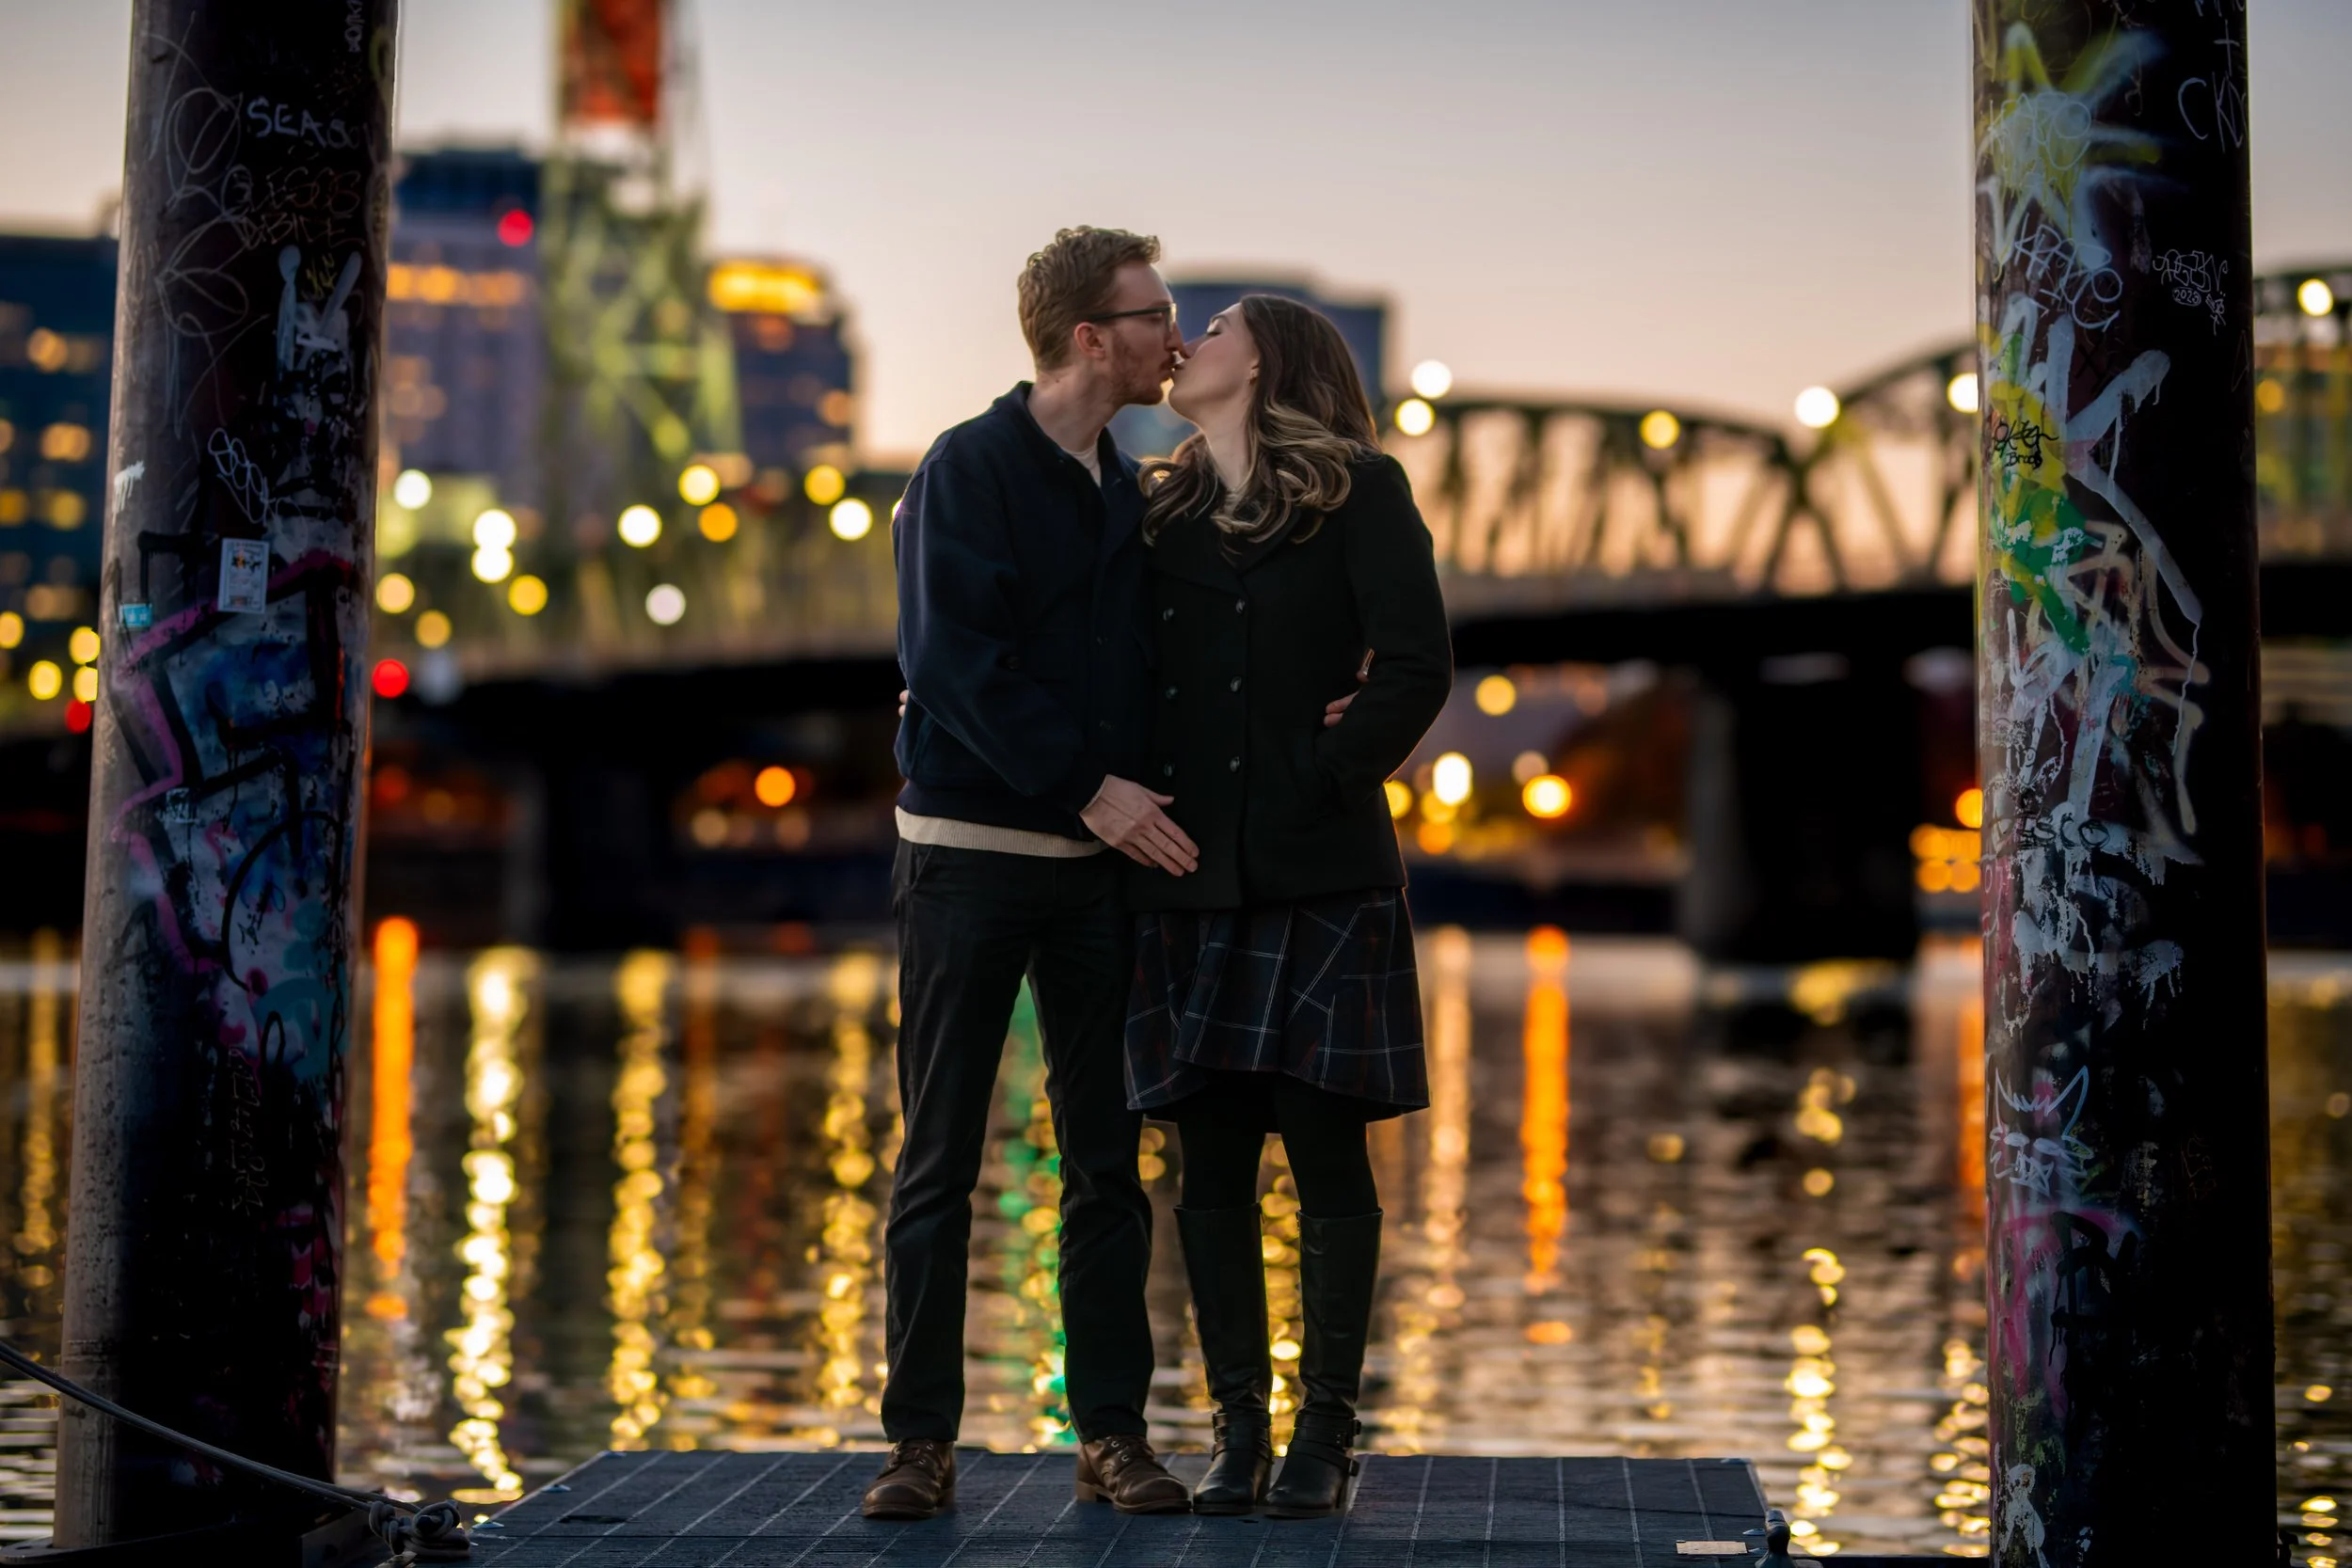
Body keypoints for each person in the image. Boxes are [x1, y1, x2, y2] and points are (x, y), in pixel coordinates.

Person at [865, 228, 1200, 1521]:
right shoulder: (969, 465)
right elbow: (952, 660)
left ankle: (1112, 1432)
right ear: (1087, 338)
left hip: (1093, 878)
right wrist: (1089, 787)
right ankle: (919, 1444)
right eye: (1152, 312)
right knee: (938, 1156)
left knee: (1109, 1163)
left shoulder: (1126, 485)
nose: (1174, 331)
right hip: (967, 863)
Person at [1122, 295, 1452, 1517]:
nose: (1187, 342)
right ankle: (1235, 1434)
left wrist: (1326, 765)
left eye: (1211, 325)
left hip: (1324, 868)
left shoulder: (1363, 489)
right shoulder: (1159, 510)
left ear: (1262, 360)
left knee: (1326, 1159)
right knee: (1205, 1164)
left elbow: (1419, 662)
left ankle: (1326, 1434)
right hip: (1186, 873)